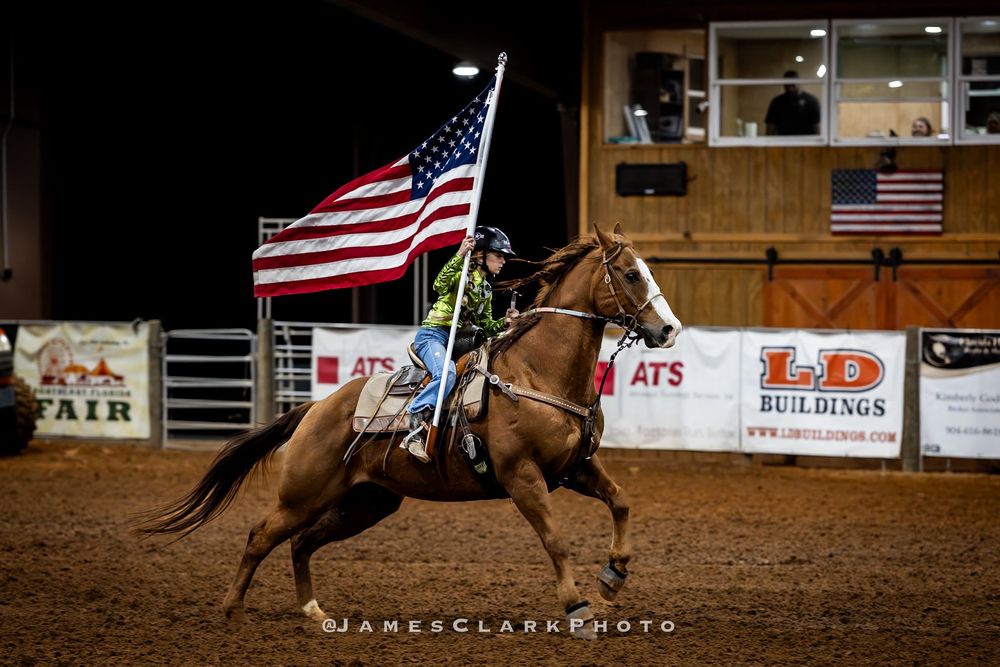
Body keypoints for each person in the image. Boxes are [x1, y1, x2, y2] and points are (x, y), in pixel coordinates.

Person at [401, 226, 519, 462]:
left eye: (504, 257)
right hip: (433, 335)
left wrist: (504, 322)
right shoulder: (461, 271)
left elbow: (484, 325)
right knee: (446, 373)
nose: (503, 261)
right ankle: (414, 421)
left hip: (460, 342)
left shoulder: (486, 289)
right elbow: (438, 286)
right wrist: (458, 255)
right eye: (498, 255)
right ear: (480, 256)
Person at [765, 70, 821, 136]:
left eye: (793, 85)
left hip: (806, 142)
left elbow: (817, 127)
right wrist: (769, 143)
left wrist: (817, 144)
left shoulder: (811, 101)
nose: (790, 89)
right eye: (787, 86)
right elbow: (770, 127)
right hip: (783, 142)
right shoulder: (777, 102)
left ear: (799, 83)